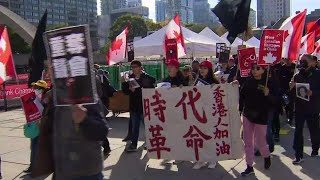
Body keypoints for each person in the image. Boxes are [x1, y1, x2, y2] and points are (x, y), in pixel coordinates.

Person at [239, 63, 272, 176]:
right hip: (248, 115)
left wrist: (268, 94)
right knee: (248, 142)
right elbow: (241, 96)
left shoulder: (269, 82)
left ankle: (266, 156)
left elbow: (276, 101)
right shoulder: (248, 81)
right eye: (253, 68)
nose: (254, 70)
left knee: (260, 142)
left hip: (261, 116)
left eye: (258, 68)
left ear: (263, 70)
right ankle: (249, 166)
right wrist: (236, 84)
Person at [289, 54, 320, 164]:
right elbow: (292, 93)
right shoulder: (297, 75)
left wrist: (314, 92)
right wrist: (291, 87)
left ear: (312, 62)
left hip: (313, 108)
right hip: (300, 108)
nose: (302, 63)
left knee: (314, 131)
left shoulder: (318, 74)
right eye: (301, 60)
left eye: (305, 60)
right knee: (298, 131)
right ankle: (298, 155)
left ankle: (315, 147)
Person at [122, 60, 156, 152]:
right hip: (134, 106)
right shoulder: (129, 78)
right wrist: (126, 86)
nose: (133, 69)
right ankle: (133, 145)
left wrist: (144, 87)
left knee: (148, 127)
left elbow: (153, 83)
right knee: (134, 127)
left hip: (145, 106)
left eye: (135, 66)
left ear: (140, 67)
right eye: (132, 67)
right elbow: (125, 91)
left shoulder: (146, 77)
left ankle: (150, 143)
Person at [193, 60, 219, 170]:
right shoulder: (197, 80)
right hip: (199, 113)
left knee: (210, 136)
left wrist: (215, 88)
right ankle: (201, 159)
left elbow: (219, 97)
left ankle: (213, 159)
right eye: (201, 68)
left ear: (210, 70)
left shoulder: (214, 81)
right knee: (200, 136)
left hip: (210, 113)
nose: (202, 70)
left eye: (205, 68)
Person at [23, 80, 48, 174]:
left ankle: (36, 166)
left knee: (37, 147)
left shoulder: (46, 100)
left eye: (38, 88)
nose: (35, 89)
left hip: (42, 126)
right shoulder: (33, 98)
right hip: (34, 125)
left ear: (43, 89)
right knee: (33, 146)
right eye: (35, 87)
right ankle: (32, 165)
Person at [279, 58, 296, 125]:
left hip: (292, 89)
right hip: (284, 89)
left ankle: (290, 118)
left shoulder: (294, 66)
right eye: (286, 59)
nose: (288, 61)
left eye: (289, 59)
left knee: (291, 104)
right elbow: (279, 78)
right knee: (286, 103)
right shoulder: (282, 68)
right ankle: (287, 113)